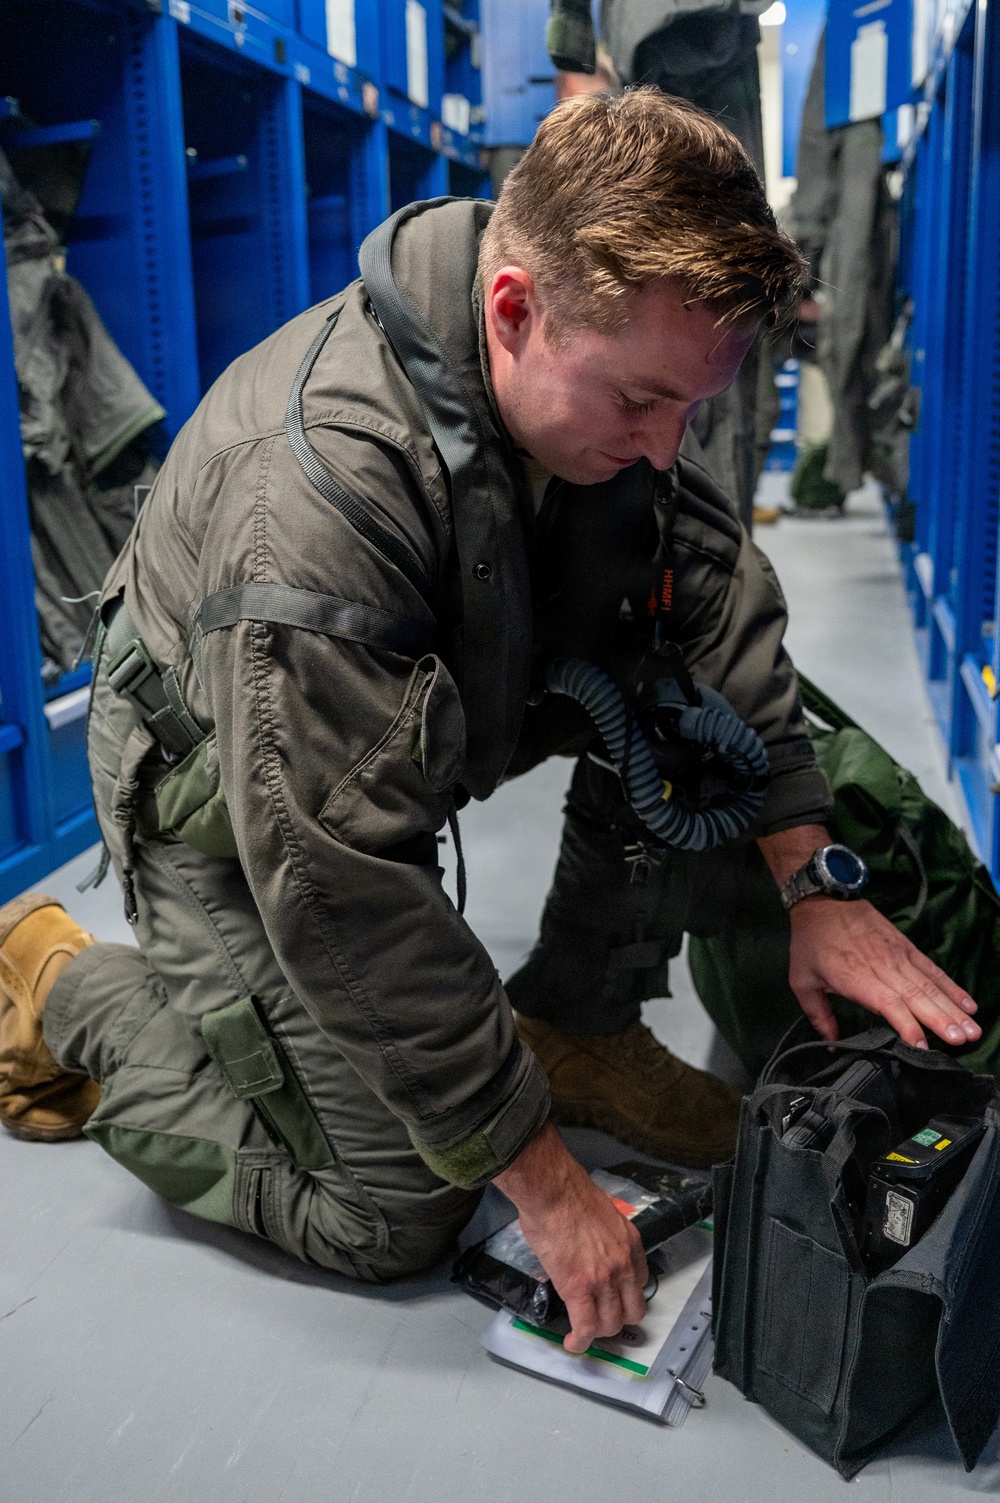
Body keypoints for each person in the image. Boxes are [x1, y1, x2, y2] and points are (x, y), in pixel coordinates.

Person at [0, 90, 980, 1358]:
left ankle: (577, 1019)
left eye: (691, 410)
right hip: (224, 807)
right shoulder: (320, 493)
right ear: (511, 310)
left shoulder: (606, 356)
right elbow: (337, 880)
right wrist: (545, 1182)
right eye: (640, 404)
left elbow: (713, 590)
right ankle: (65, 980)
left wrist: (813, 874)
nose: (663, 448)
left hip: (406, 727)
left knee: (682, 701)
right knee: (397, 1208)